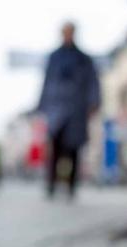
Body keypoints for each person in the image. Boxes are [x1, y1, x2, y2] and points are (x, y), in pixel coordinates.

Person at [35, 21, 101, 199]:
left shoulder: (84, 59)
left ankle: (71, 187)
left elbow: (93, 82)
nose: (68, 35)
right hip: (56, 108)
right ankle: (51, 184)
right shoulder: (54, 57)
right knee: (54, 147)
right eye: (65, 32)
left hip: (76, 108)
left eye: (70, 32)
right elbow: (46, 82)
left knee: (73, 149)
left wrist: (93, 103)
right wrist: (42, 107)